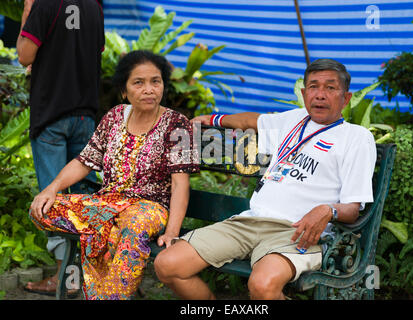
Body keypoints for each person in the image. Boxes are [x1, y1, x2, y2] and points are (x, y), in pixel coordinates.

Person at [154, 58, 377, 300]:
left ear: (346, 98)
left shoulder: (356, 138)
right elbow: (251, 121)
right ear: (304, 93)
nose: (320, 95)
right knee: (167, 264)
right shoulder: (292, 120)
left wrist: (327, 210)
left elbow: (353, 209)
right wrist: (213, 119)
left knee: (262, 286)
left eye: (330, 88)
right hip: (248, 223)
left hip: (296, 233)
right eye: (314, 86)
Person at [28, 50, 199, 300]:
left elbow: (180, 184)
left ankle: (110, 295)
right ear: (124, 90)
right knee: (43, 209)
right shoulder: (115, 116)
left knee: (131, 227)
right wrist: (51, 189)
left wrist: (172, 232)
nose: (149, 89)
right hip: (108, 204)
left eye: (156, 81)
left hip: (148, 208)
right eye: (138, 83)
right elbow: (84, 162)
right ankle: (110, 254)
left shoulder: (177, 125)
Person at [16, 0, 104, 295]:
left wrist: (28, 11)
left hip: (51, 116)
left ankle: (63, 278)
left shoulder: (45, 4)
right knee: (85, 197)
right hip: (85, 116)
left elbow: (24, 56)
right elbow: (95, 53)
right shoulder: (94, 7)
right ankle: (89, 274)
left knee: (52, 198)